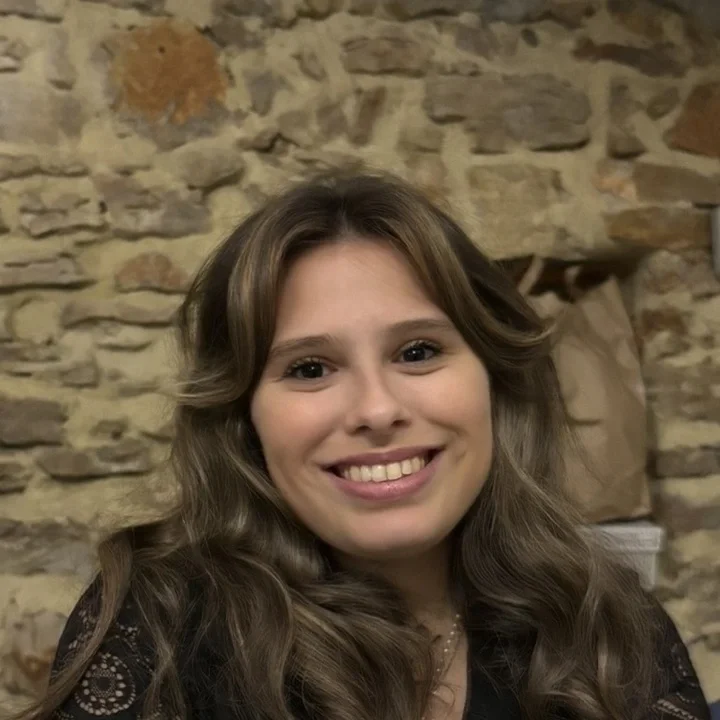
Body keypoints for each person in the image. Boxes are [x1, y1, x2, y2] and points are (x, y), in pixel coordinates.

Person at [13, 170, 710, 720]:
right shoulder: (158, 630)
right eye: (309, 368)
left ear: (493, 382)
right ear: (243, 418)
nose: (377, 410)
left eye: (418, 351)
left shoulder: (602, 617)